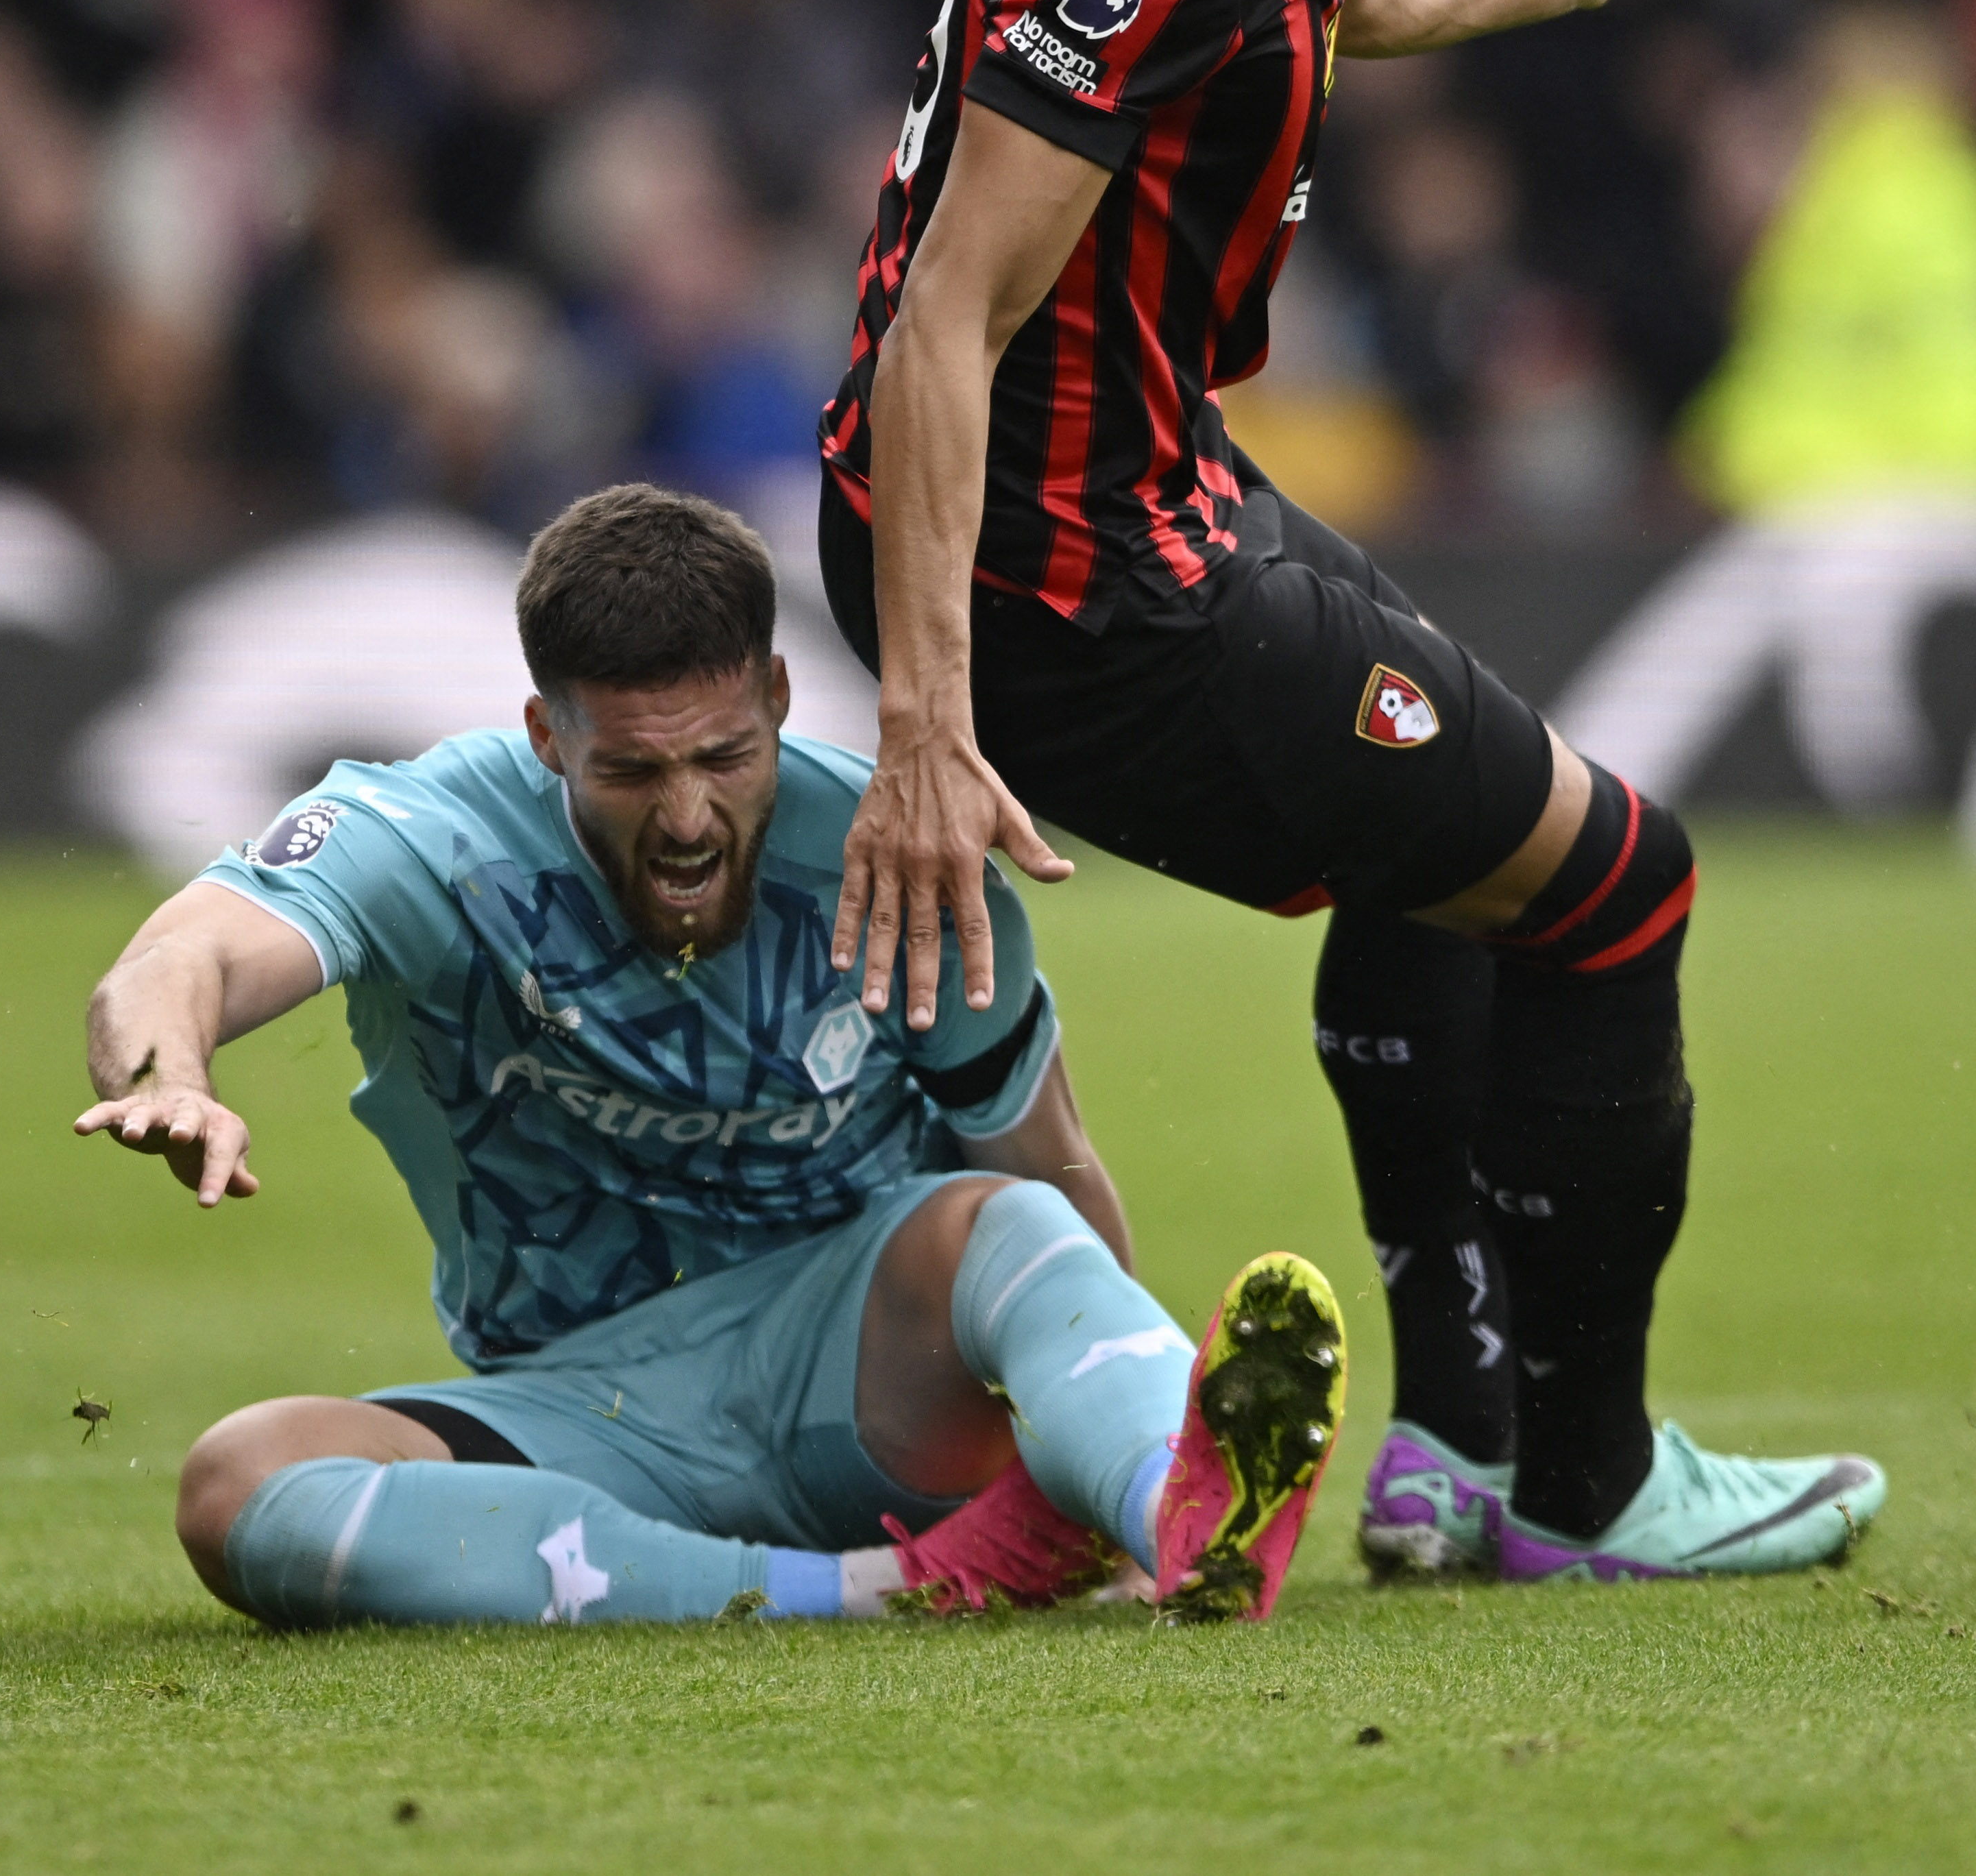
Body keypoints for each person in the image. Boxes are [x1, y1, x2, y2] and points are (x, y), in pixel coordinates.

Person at [818, 0, 1883, 1583]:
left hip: (1130, 506)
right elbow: (943, 313)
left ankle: (1451, 1452)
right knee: (1619, 881)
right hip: (1081, 578)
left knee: (1452, 850)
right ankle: (1587, 1486)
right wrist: (926, 726)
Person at [73, 483, 1348, 1627]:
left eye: (726, 757)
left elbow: (1055, 1182)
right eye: (631, 770)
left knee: (1001, 1220)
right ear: (545, 734)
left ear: (780, 702)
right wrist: (169, 1078)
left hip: (876, 1394)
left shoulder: (896, 852)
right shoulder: (427, 840)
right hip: (582, 1420)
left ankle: (1169, 1515)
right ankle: (896, 1586)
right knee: (239, 1485)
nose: (687, 819)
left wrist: (1096, 1449)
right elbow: (178, 958)